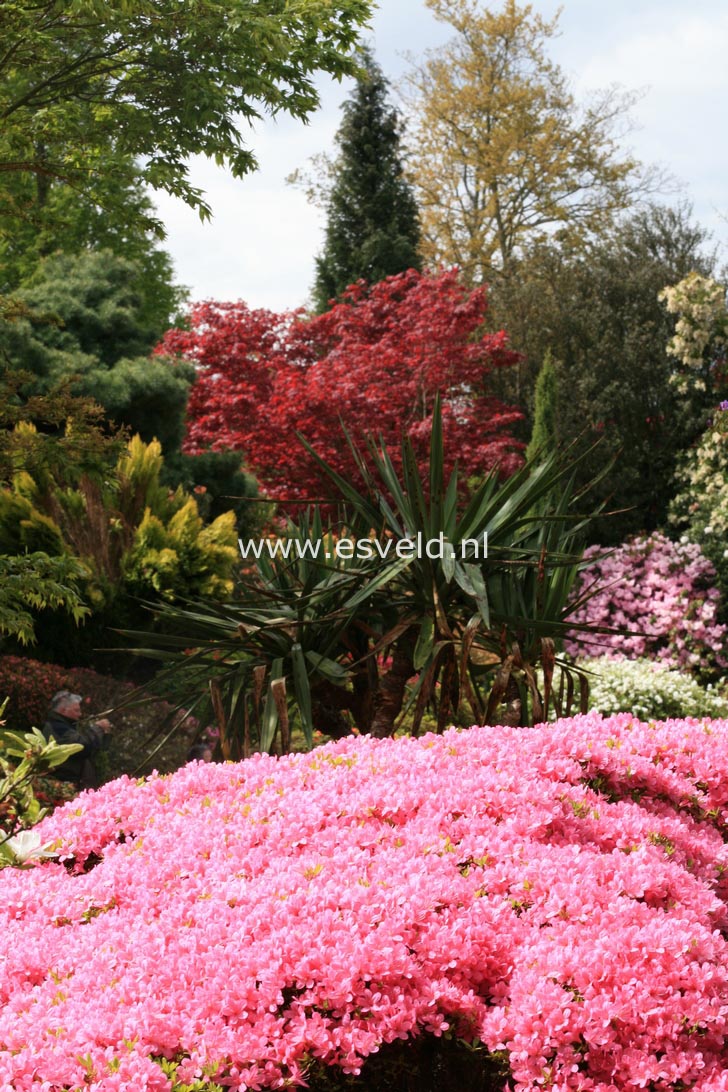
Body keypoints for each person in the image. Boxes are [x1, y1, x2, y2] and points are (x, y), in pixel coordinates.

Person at [42, 691, 113, 790]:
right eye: (76, 710)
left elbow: (97, 749)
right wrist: (97, 728)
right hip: (61, 782)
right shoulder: (57, 727)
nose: (80, 714)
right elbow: (81, 747)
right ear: (63, 710)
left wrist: (104, 734)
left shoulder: (66, 725)